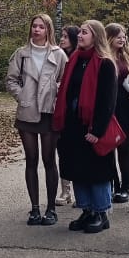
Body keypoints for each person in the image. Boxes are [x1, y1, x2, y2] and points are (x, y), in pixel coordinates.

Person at [51, 19, 117, 233]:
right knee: (77, 169)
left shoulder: (105, 63)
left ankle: (100, 212)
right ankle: (86, 209)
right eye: (79, 32)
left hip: (92, 127)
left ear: (95, 36)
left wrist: (97, 130)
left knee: (96, 171)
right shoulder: (74, 60)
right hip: (73, 126)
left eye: (85, 32)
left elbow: (108, 101)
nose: (79, 35)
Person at [6, 14, 68, 226]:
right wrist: (22, 95)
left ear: (48, 29)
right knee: (31, 160)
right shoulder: (21, 54)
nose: (37, 30)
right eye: (34, 26)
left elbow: (65, 80)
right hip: (27, 111)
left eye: (41, 27)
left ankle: (51, 208)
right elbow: (11, 80)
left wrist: (56, 93)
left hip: (49, 111)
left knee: (49, 159)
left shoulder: (59, 54)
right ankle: (34, 209)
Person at [105, 23, 129, 203]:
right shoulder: (103, 56)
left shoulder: (128, 55)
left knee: (123, 146)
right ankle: (112, 183)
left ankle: (125, 187)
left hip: (125, 104)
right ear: (109, 37)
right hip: (107, 106)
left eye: (124, 36)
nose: (122, 39)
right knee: (108, 147)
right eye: (119, 36)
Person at [56, 25, 80, 207]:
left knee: (75, 152)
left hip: (75, 112)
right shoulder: (58, 57)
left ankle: (80, 192)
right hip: (60, 110)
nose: (62, 39)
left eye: (65, 36)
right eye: (61, 36)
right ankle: (65, 190)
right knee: (62, 151)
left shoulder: (78, 59)